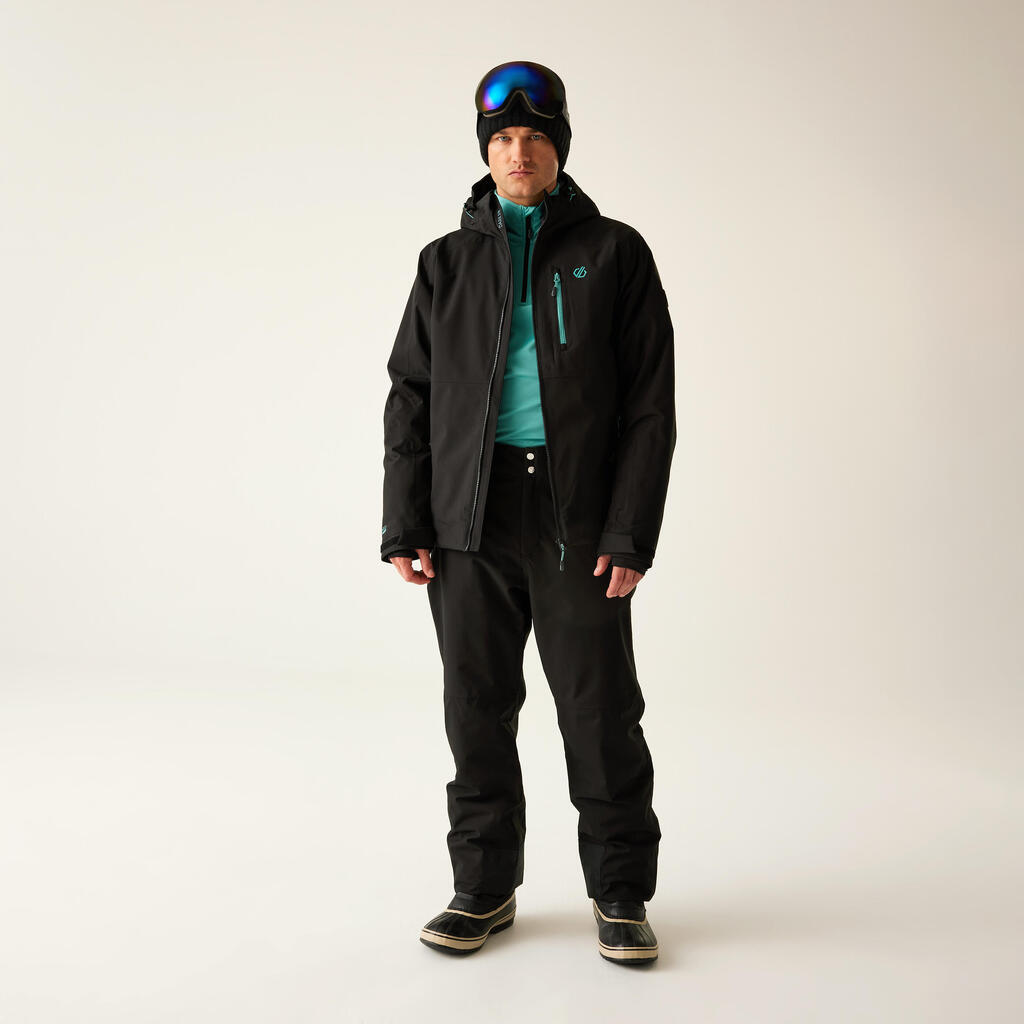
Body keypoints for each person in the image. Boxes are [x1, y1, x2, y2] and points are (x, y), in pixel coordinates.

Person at [380, 60, 676, 966]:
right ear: (485, 151)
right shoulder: (446, 261)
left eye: (535, 139)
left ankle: (620, 893)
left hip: (574, 516)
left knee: (599, 708)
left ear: (560, 150)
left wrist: (629, 531)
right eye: (503, 139)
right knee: (476, 707)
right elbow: (411, 396)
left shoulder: (615, 253)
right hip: (467, 516)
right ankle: (483, 888)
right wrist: (405, 522)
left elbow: (649, 405)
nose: (518, 153)